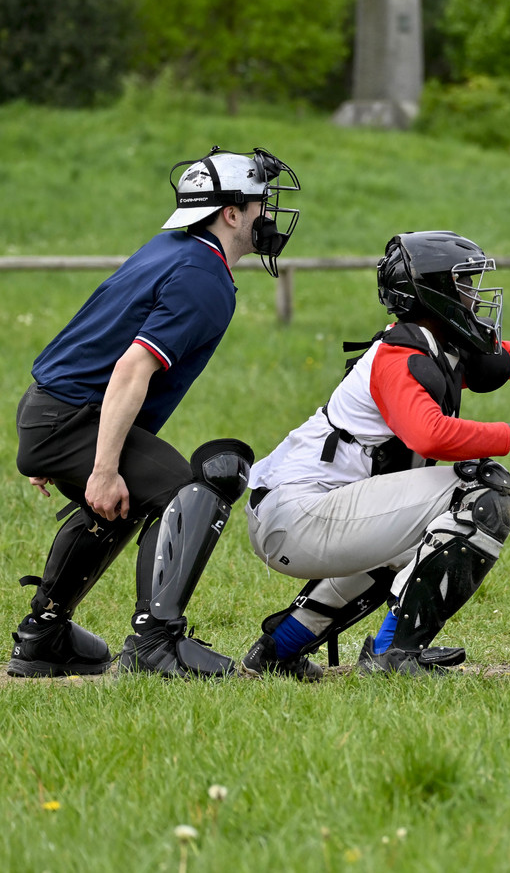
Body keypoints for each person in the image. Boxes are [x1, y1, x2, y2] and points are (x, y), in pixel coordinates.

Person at [239, 230, 510, 679]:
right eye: (465, 284)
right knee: (481, 491)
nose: (475, 295)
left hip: (299, 514)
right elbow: (428, 436)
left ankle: (278, 650)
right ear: (434, 291)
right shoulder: (397, 357)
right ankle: (394, 654)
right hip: (296, 515)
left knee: (423, 537)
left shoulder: (430, 346)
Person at [9, 147, 301, 678]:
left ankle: (44, 637)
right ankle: (156, 644)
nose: (269, 216)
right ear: (231, 214)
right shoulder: (203, 277)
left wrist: (84, 452)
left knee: (126, 493)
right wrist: (98, 465)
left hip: (53, 410)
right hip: (68, 416)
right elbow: (130, 369)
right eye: (261, 203)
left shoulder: (173, 248)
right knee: (194, 486)